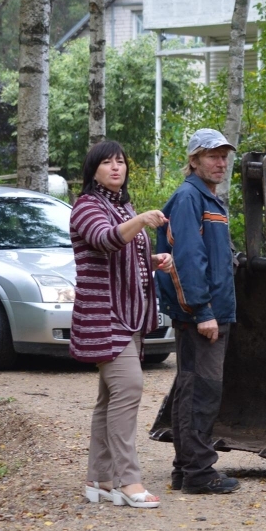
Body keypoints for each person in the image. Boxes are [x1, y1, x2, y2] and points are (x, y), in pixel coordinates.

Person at [71, 140, 172, 509]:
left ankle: (99, 479)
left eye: (121, 162)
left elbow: (128, 251)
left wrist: (154, 259)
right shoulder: (86, 206)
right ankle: (127, 481)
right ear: (93, 170)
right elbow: (105, 240)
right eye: (107, 162)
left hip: (128, 314)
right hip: (103, 315)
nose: (116, 168)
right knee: (129, 387)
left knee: (110, 398)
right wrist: (142, 220)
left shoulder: (121, 206)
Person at [155, 128, 241, 496]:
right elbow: (188, 258)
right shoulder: (190, 198)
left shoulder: (208, 199)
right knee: (200, 391)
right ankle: (199, 472)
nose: (220, 163)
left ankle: (186, 468)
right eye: (212, 156)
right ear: (194, 160)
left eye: (224, 156)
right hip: (201, 314)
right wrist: (203, 311)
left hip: (211, 310)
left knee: (192, 387)